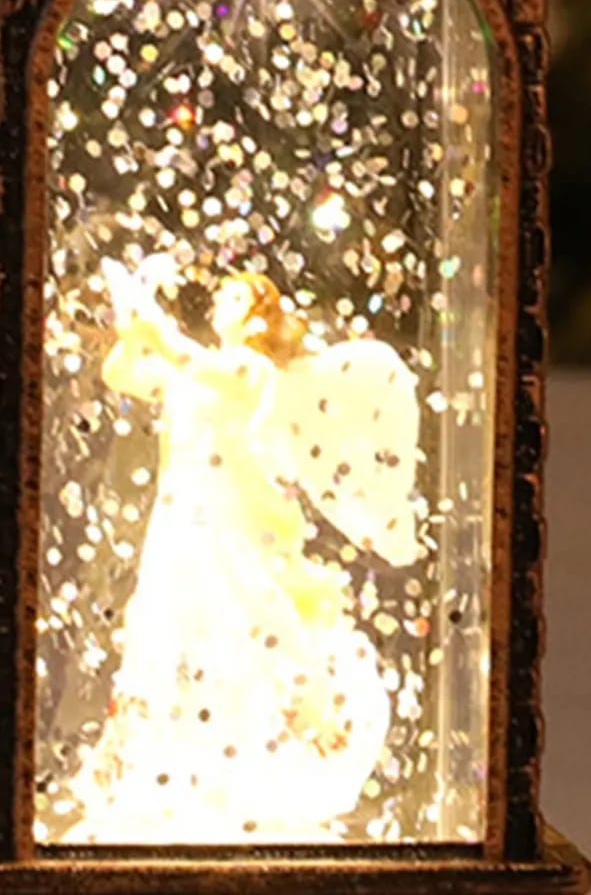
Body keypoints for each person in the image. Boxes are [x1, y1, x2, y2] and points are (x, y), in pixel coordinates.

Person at [68, 267, 418, 842]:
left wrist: (146, 310)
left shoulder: (248, 370)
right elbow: (123, 372)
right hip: (179, 514)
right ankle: (168, 755)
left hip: (228, 515)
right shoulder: (193, 372)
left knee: (246, 612)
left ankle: (278, 729)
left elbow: (183, 356)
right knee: (164, 619)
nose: (219, 301)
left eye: (233, 296)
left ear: (256, 316)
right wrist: (131, 326)